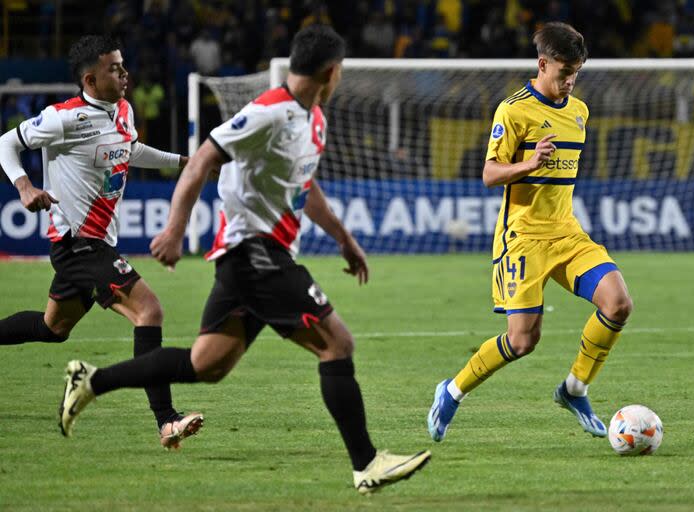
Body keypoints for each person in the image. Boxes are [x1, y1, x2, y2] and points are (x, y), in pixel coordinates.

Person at [58, 25, 431, 494]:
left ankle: (92, 381)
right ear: (332, 73)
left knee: (207, 365)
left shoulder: (314, 119)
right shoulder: (267, 112)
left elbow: (304, 186)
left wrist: (343, 238)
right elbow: (201, 161)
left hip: (257, 258)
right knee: (338, 344)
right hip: (254, 251)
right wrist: (175, 230)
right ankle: (367, 464)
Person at [428, 22, 633, 442]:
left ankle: (575, 389)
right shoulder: (513, 110)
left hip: (567, 234)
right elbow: (488, 174)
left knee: (618, 303)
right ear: (543, 64)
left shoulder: (579, 111)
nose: (570, 81)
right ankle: (451, 391)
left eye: (576, 73)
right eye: (564, 73)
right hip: (522, 238)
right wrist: (527, 165)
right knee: (522, 341)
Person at [0, 35, 202, 450]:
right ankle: (167, 421)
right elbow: (5, 143)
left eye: (124, 65)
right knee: (150, 311)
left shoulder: (123, 110)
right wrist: (23, 186)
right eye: (115, 68)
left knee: (52, 328)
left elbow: (131, 149)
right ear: (90, 79)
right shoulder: (63, 119)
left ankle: (89, 384)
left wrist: (185, 163)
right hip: (78, 245)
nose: (125, 74)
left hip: (97, 244)